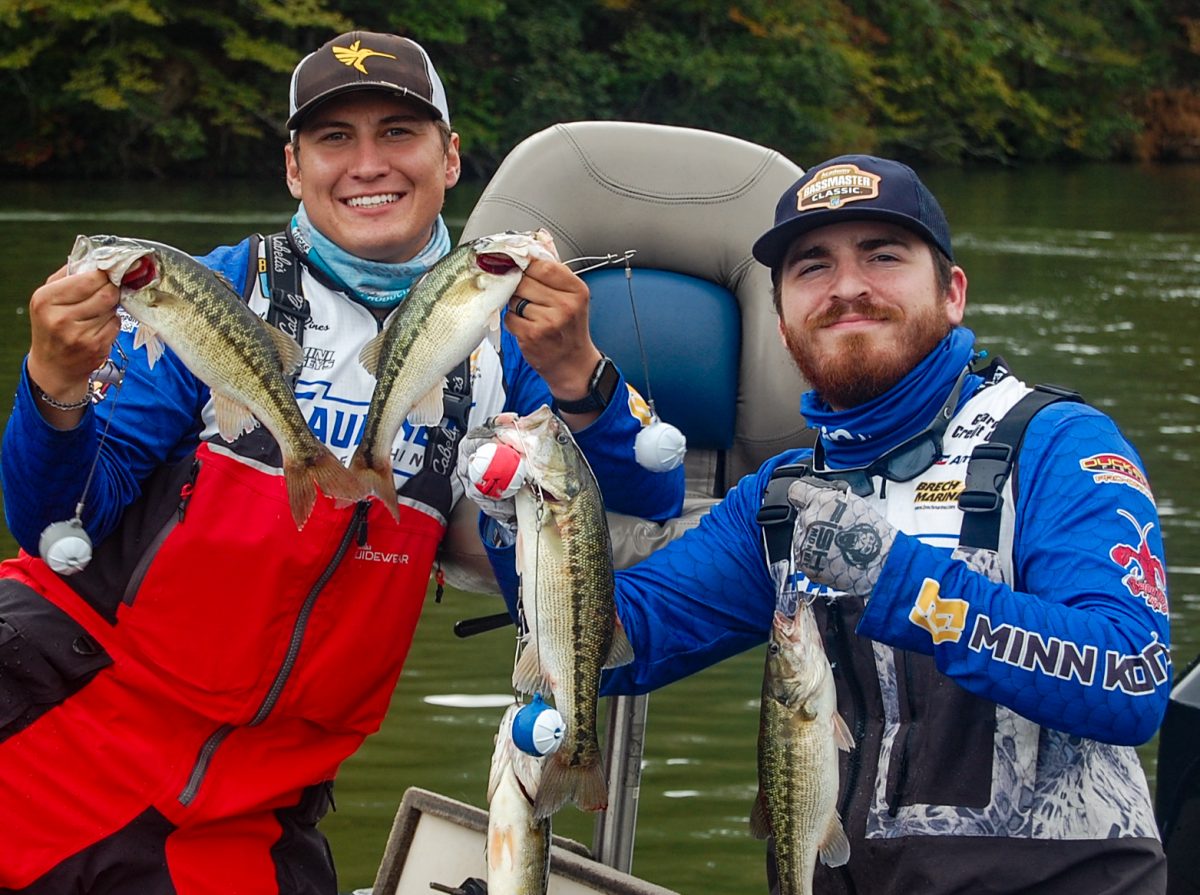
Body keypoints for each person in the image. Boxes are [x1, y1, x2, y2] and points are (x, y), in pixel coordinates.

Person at [0, 30, 683, 895]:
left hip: (261, 801)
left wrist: (580, 372)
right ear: (294, 167)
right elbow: (57, 519)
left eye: (398, 132)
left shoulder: (508, 331)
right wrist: (53, 385)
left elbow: (646, 507)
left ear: (451, 158)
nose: (368, 164)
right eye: (335, 138)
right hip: (62, 732)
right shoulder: (205, 293)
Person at [474, 155, 1171, 893]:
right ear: (780, 322)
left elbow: (1131, 678)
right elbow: (617, 643)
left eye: (883, 256)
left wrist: (901, 580)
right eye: (813, 266)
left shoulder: (1061, 445)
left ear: (953, 292)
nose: (847, 287)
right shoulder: (780, 501)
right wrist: (528, 520)